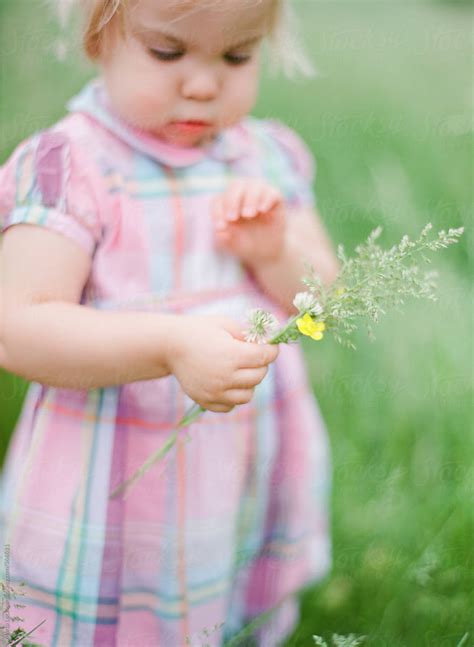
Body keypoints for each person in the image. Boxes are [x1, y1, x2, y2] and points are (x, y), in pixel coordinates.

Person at [0, 0, 341, 645]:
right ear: (99, 38)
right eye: (167, 52)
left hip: (241, 464)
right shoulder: (67, 165)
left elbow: (322, 297)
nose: (205, 84)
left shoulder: (267, 157)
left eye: (237, 56)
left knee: (224, 600)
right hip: (116, 480)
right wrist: (169, 345)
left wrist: (273, 253)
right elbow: (19, 327)